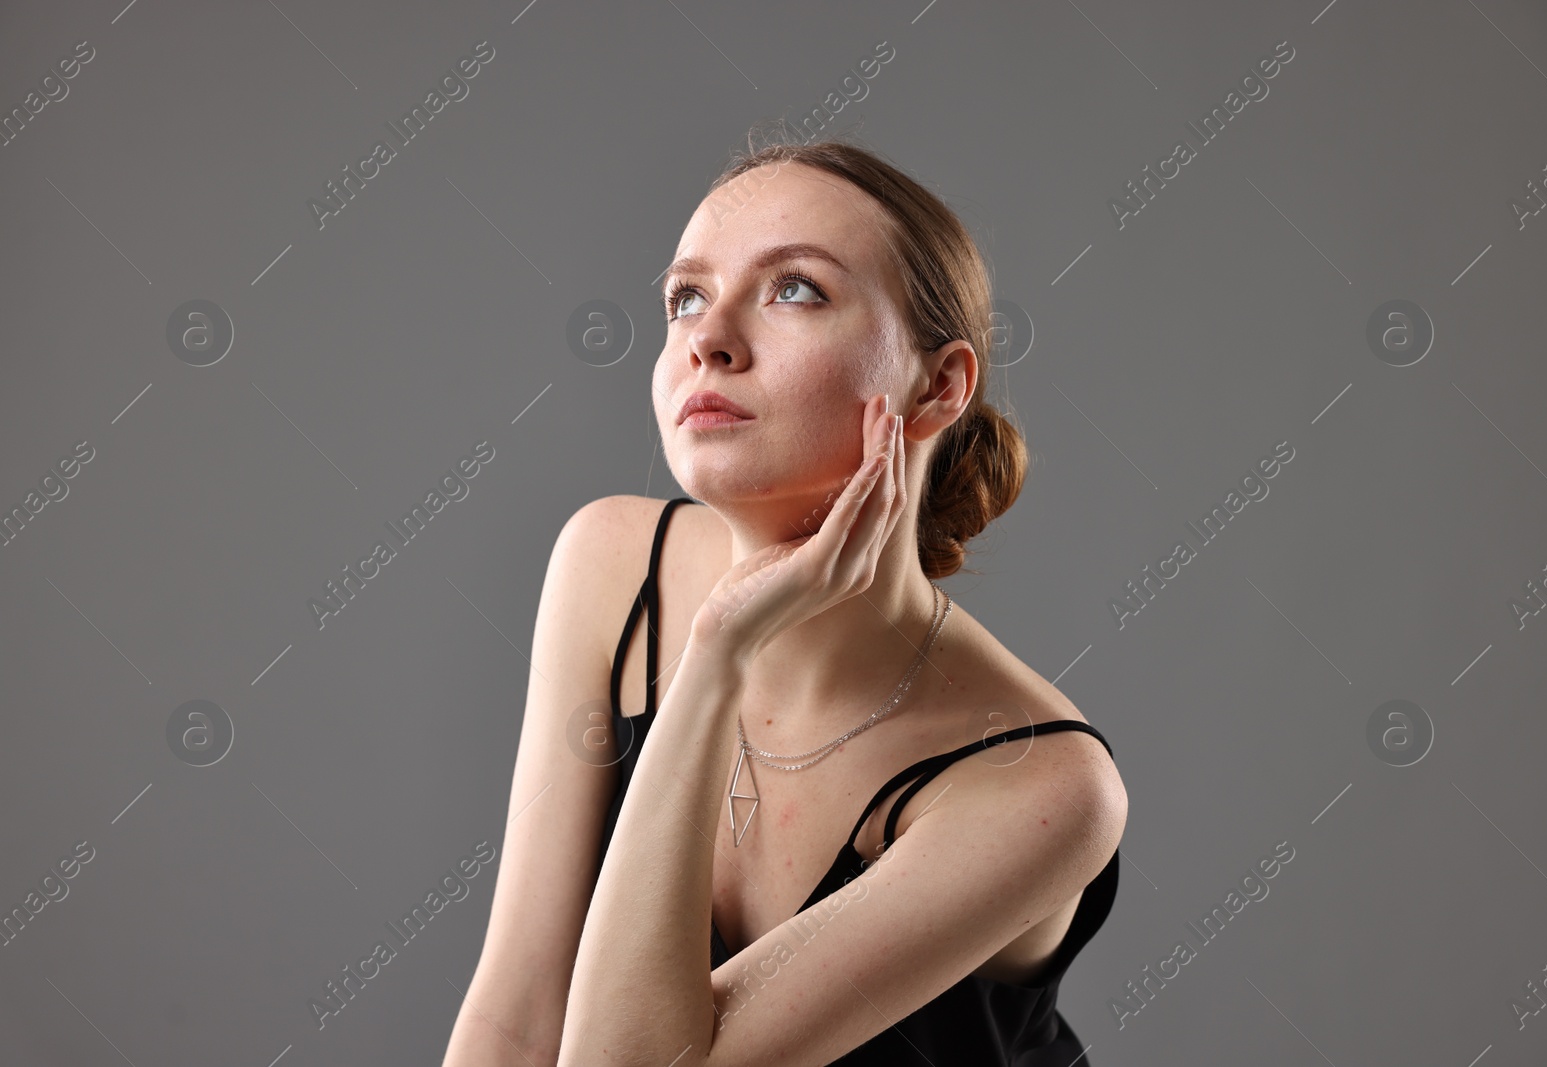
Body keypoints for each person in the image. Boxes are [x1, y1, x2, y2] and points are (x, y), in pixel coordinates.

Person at [441, 130, 1127, 1067]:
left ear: (937, 388)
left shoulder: (1044, 784)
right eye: (686, 296)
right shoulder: (609, 564)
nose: (708, 340)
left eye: (794, 287)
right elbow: (516, 1018)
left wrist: (718, 651)